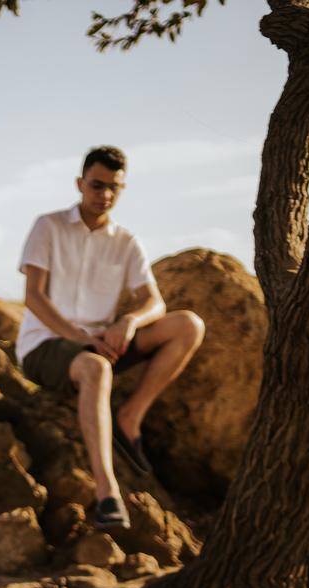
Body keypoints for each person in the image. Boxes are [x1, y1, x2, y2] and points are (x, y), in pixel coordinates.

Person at [16, 145, 204, 529]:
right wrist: (81, 339)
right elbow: (33, 297)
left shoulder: (126, 241)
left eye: (114, 187)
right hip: (45, 343)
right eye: (97, 185)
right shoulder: (48, 226)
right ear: (80, 183)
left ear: (121, 188)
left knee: (188, 325)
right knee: (98, 369)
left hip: (103, 342)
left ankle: (130, 417)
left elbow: (154, 301)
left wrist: (129, 322)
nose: (104, 195)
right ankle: (107, 494)